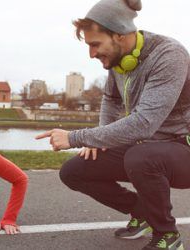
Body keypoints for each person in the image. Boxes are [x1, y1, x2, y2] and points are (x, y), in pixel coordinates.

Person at [36, 0, 190, 249]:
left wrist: (78, 137)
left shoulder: (169, 55)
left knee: (141, 157)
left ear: (119, 34)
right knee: (74, 171)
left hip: (182, 149)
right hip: (146, 147)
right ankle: (142, 212)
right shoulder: (119, 61)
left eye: (95, 44)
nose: (92, 54)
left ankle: (167, 236)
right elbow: (111, 99)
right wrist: (99, 142)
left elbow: (144, 123)